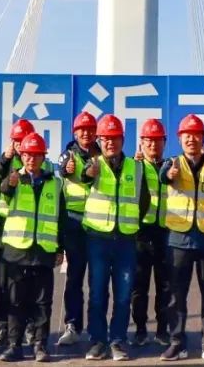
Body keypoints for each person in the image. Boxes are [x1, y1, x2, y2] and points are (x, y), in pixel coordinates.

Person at [158, 114, 204, 364]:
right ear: (180, 139)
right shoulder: (171, 164)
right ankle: (177, 343)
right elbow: (162, 177)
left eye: (196, 135)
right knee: (176, 295)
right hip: (179, 240)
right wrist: (169, 174)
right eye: (187, 135)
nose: (191, 139)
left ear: (203, 140)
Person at [78, 113, 150, 361]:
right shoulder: (92, 165)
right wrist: (88, 173)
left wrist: (130, 223)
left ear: (122, 139)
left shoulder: (136, 166)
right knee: (97, 292)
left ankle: (118, 340)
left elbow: (144, 201)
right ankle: (98, 341)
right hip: (98, 238)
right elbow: (80, 179)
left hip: (126, 241)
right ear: (99, 140)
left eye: (115, 138)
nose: (111, 142)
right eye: (106, 138)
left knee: (123, 294)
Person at [0, 132, 67, 363]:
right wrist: (10, 183)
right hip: (17, 251)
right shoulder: (14, 179)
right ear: (22, 155)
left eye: (36, 155)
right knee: (15, 301)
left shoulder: (54, 183)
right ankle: (14, 346)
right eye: (27, 154)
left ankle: (40, 345)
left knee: (42, 303)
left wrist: (60, 248)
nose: (31, 159)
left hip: (43, 252)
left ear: (43, 157)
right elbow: (4, 195)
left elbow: (62, 218)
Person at [0, 119, 46, 349]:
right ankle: (3, 327)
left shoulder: (42, 166)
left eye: (22, 140)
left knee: (31, 289)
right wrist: (6, 159)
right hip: (6, 231)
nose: (18, 145)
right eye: (15, 140)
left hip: (32, 233)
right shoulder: (5, 163)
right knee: (3, 285)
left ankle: (30, 330)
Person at [57, 111, 99, 348]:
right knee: (74, 278)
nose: (86, 133)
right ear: (75, 132)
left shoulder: (101, 155)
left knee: (98, 279)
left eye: (90, 129)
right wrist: (67, 168)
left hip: (98, 224)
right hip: (73, 224)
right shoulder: (68, 154)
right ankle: (72, 325)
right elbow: (63, 170)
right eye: (81, 129)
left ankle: (96, 328)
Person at [131, 118, 169, 348]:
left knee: (165, 286)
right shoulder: (132, 166)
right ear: (141, 143)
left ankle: (163, 329)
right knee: (139, 286)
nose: (153, 145)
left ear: (164, 142)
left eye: (157, 141)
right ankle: (140, 329)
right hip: (140, 233)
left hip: (165, 232)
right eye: (148, 141)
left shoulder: (171, 166)